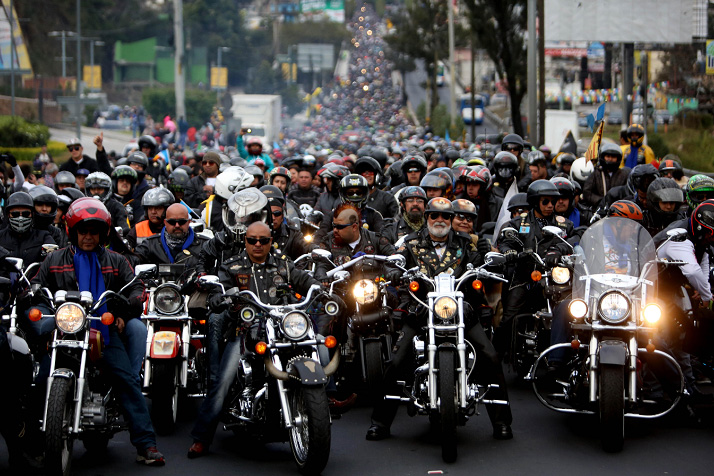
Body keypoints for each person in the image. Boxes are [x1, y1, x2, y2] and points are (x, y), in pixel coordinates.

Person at [30, 197, 165, 466]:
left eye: (94, 231)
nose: (88, 237)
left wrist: (122, 311)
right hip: (64, 330)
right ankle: (34, 444)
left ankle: (146, 444)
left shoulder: (116, 261)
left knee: (127, 379)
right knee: (41, 379)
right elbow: (37, 289)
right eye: (83, 231)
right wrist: (36, 298)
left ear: (103, 234)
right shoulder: (54, 259)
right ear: (73, 232)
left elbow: (136, 290)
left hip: (102, 332)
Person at [366, 197, 513, 441]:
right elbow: (394, 264)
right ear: (427, 218)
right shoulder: (410, 243)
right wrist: (394, 273)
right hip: (420, 308)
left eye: (446, 216)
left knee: (490, 355)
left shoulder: (467, 243)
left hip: (460, 309)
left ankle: (501, 422)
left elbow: (484, 263)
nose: (440, 220)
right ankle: (380, 422)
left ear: (452, 219)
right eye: (435, 215)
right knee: (397, 359)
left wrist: (495, 261)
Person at [187, 221, 318, 458]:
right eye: (252, 240)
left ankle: (320, 405)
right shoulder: (231, 267)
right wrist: (219, 298)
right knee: (223, 382)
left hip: (282, 330)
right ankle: (202, 438)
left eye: (264, 240)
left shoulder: (284, 265)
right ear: (245, 241)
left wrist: (321, 289)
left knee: (318, 346)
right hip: (245, 331)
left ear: (271, 242)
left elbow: (306, 281)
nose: (258, 245)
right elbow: (221, 288)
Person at [495, 180, 574, 358]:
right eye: (545, 201)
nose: (550, 206)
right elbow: (506, 239)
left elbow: (575, 238)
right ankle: (498, 356)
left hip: (554, 277)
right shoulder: (518, 222)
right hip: (524, 275)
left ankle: (562, 357)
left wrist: (558, 250)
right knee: (509, 315)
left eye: (553, 202)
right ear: (534, 202)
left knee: (569, 312)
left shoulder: (563, 224)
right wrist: (511, 252)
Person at [313, 174, 385, 244]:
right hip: (337, 253)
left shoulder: (374, 215)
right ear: (343, 194)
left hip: (367, 253)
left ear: (365, 194)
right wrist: (316, 248)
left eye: (358, 193)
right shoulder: (332, 215)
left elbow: (382, 239)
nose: (355, 196)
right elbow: (320, 237)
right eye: (350, 193)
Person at [135, 203, 207, 267]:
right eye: (172, 222)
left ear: (189, 222)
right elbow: (133, 262)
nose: (177, 225)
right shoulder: (150, 244)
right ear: (165, 222)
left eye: (181, 221)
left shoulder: (204, 245)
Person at [0, 191, 56, 267]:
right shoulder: (1, 236)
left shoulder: (43, 237)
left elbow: (53, 261)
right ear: (8, 215)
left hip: (33, 278)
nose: (20, 218)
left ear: (32, 214)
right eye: (15, 214)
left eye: (25, 214)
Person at [260, 184, 310, 257]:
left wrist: (316, 249)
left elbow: (306, 246)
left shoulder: (292, 234)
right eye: (268, 214)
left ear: (283, 215)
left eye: (277, 213)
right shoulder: (249, 233)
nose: (273, 218)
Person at [582, 143, 631, 208]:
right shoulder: (596, 174)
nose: (610, 159)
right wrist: (601, 201)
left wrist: (618, 203)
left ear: (618, 158)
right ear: (603, 157)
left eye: (613, 157)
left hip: (619, 209)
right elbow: (587, 192)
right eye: (607, 156)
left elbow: (629, 193)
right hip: (599, 209)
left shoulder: (624, 175)